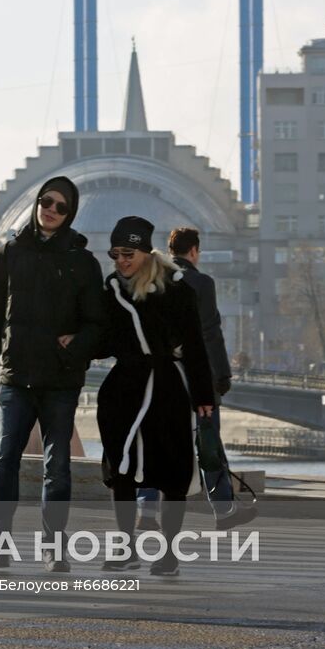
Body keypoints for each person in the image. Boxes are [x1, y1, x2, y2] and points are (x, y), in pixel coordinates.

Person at [0, 176, 108, 573]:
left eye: (61, 206)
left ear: (70, 214)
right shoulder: (10, 252)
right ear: (37, 203)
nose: (51, 210)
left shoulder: (82, 261)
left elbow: (98, 324)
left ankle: (54, 548)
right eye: (46, 201)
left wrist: (76, 344)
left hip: (61, 381)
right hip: (15, 376)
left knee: (58, 464)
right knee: (4, 459)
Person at [97, 216, 214, 577]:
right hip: (124, 389)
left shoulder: (176, 289)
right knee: (121, 468)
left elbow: (195, 343)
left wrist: (203, 394)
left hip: (166, 388)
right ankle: (126, 547)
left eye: (128, 253)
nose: (121, 260)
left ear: (146, 253)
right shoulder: (112, 289)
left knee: (171, 472)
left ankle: (168, 553)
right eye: (115, 253)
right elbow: (105, 339)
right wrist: (75, 342)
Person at [137, 226, 250, 531]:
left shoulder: (152, 281)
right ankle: (224, 511)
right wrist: (222, 376)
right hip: (197, 379)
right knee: (208, 442)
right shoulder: (201, 283)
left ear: (170, 250)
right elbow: (210, 334)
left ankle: (146, 511)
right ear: (195, 251)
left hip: (160, 379)